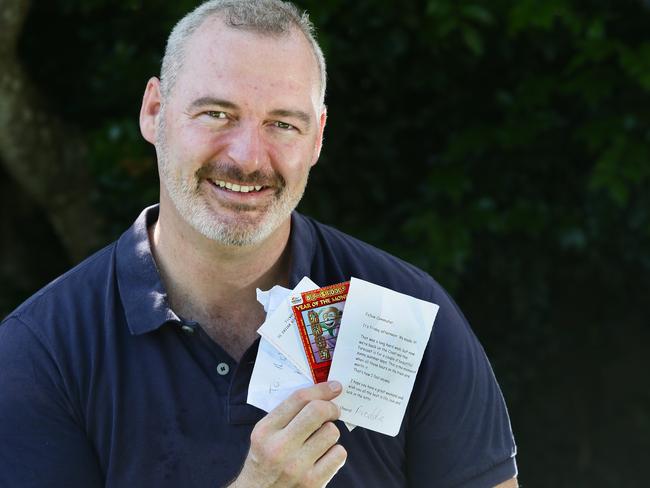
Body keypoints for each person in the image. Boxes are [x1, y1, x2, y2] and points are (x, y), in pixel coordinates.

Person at [0, 1, 518, 486]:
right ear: (154, 112)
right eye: (217, 114)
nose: (248, 157)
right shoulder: (42, 352)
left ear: (316, 138)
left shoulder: (407, 314)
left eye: (281, 124)